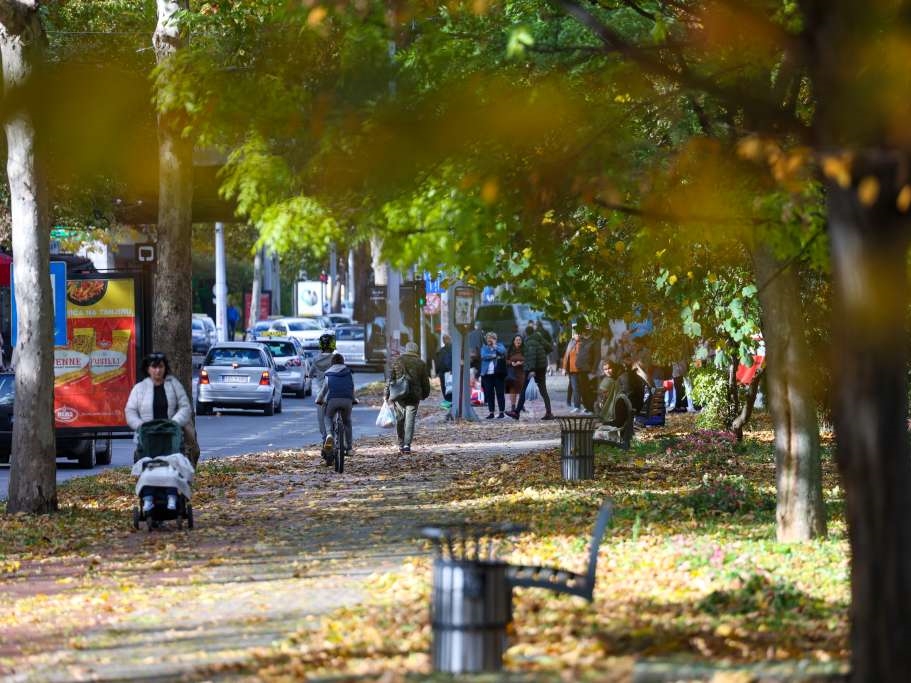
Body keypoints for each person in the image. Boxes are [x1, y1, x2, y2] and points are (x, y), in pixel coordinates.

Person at [125, 352, 193, 511]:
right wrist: (141, 426)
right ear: (148, 369)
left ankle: (172, 496)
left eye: (160, 367)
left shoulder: (173, 385)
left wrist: (174, 423)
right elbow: (130, 410)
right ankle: (148, 498)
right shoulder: (140, 388)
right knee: (149, 466)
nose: (157, 371)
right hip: (148, 436)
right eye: (154, 367)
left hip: (169, 434)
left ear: (165, 368)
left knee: (171, 465)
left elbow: (185, 406)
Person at [386, 341, 431, 454]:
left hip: (399, 395)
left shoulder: (398, 361)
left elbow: (390, 379)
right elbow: (425, 381)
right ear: (416, 350)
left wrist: (387, 395)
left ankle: (401, 442)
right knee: (410, 420)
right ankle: (407, 445)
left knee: (400, 419)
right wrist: (425, 394)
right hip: (414, 395)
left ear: (406, 349)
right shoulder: (420, 363)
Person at [506, 324, 554, 420]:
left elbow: (532, 357)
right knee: (543, 390)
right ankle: (549, 412)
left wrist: (532, 370)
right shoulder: (539, 339)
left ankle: (516, 412)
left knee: (524, 389)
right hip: (542, 367)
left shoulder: (530, 342)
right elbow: (550, 348)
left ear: (526, 333)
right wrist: (542, 354)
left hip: (533, 368)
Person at [316, 352, 355, 460]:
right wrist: (354, 399)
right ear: (343, 362)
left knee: (327, 417)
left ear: (332, 363)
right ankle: (349, 448)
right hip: (347, 400)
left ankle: (329, 435)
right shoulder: (348, 371)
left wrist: (318, 400)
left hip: (333, 400)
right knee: (347, 421)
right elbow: (351, 387)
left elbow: (324, 390)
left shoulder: (328, 373)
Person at [309, 333, 337, 447]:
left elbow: (310, 374)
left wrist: (310, 375)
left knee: (322, 418)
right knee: (337, 416)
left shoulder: (315, 360)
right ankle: (339, 439)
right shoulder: (336, 358)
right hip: (335, 393)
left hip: (321, 394)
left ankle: (325, 438)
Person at [479, 332, 507, 419]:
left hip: (498, 374)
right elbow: (483, 356)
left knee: (500, 393)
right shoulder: (484, 348)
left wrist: (495, 346)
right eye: (488, 338)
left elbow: (503, 352)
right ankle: (491, 412)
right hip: (487, 375)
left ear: (495, 339)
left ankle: (501, 412)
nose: (489, 340)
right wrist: (494, 355)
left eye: (491, 338)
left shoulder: (499, 345)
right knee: (489, 394)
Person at [562, 329, 581, 412]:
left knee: (575, 386)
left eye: (579, 334)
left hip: (580, 369)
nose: (578, 335)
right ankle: (576, 405)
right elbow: (566, 356)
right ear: (573, 335)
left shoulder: (582, 343)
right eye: (576, 334)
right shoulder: (571, 343)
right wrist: (564, 368)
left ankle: (571, 402)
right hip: (572, 370)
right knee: (575, 387)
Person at [505, 334, 526, 412]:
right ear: (513, 341)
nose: (518, 341)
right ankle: (513, 406)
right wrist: (511, 363)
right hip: (512, 373)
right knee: (513, 390)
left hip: (522, 373)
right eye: (516, 340)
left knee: (522, 389)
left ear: (521, 341)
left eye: (519, 340)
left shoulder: (525, 350)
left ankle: (521, 405)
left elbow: (528, 360)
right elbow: (505, 361)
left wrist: (521, 363)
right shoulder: (510, 350)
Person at [434, 334, 453, 403]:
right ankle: (448, 401)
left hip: (450, 372)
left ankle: (450, 401)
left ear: (450, 339)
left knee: (449, 386)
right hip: (443, 372)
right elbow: (438, 361)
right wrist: (437, 371)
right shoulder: (441, 350)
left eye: (446, 338)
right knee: (445, 386)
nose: (445, 340)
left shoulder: (453, 349)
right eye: (444, 339)